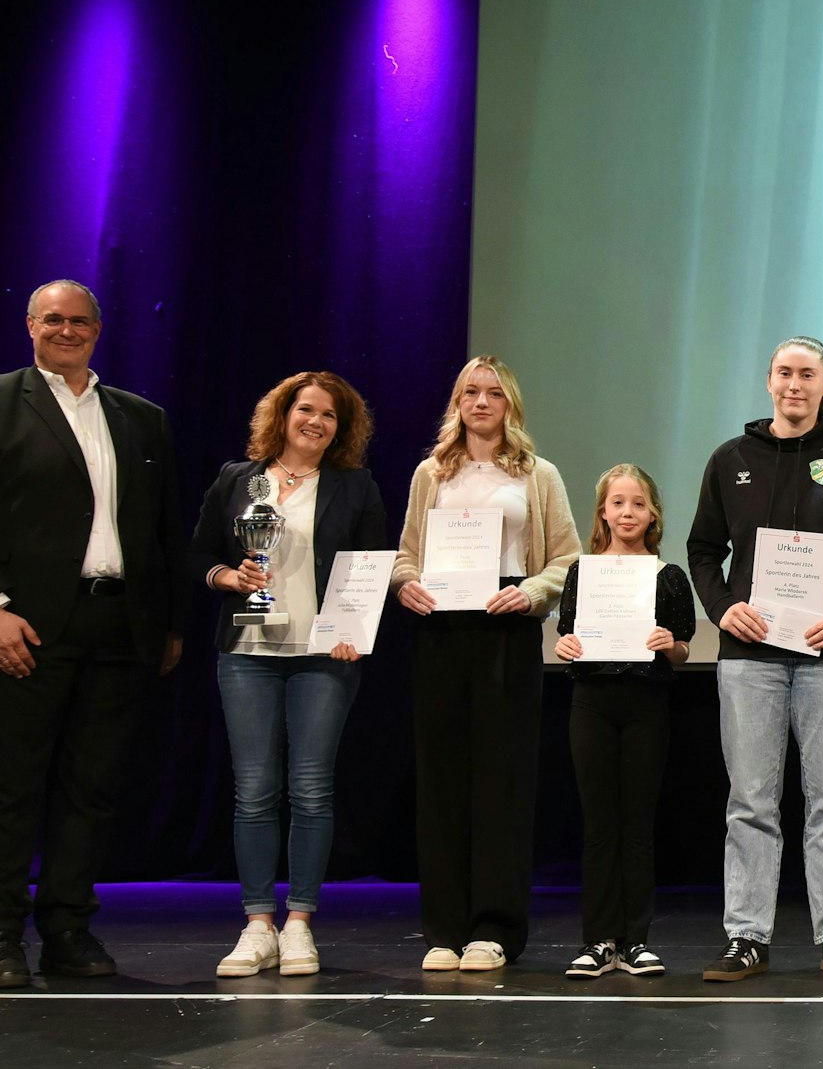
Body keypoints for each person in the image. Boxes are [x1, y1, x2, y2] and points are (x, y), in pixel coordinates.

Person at [687, 336, 823, 982]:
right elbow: (702, 549)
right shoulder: (731, 459)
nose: (795, 384)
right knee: (750, 801)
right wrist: (723, 608)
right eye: (785, 372)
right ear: (769, 381)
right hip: (750, 657)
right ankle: (747, 935)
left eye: (808, 374)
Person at [0, 279, 187, 990]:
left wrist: (168, 622)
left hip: (119, 625)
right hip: (27, 626)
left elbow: (164, 527)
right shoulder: (3, 402)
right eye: (53, 319)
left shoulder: (140, 418)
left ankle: (68, 930)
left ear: (98, 331)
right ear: (30, 325)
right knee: (12, 787)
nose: (67, 330)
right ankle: (1, 934)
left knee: (91, 790)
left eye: (79, 321)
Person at [391, 356, 580, 974]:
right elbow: (407, 555)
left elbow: (567, 558)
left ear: (510, 405)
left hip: (506, 625)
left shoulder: (538, 474)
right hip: (443, 628)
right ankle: (445, 929)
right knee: (442, 781)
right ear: (456, 402)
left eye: (493, 393)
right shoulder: (432, 473)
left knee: (502, 781)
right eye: (470, 392)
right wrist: (406, 585)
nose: (481, 402)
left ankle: (493, 928)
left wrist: (533, 591)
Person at [193, 372, 386, 978]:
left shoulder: (355, 486)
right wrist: (228, 576)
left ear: (341, 428)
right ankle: (257, 925)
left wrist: (355, 629)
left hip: (324, 656)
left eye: (329, 415)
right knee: (254, 791)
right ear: (282, 414)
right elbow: (199, 553)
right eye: (306, 409)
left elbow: (370, 564)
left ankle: (299, 922)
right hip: (247, 651)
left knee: (311, 789)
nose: (316, 422)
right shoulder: (237, 480)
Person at [554, 464, 697, 980]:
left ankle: (636, 940)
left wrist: (669, 644)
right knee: (599, 825)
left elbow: (683, 648)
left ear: (653, 513)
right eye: (617, 503)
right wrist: (566, 645)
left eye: (638, 503)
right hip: (591, 702)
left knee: (637, 824)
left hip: (646, 703)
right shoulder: (583, 573)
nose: (628, 512)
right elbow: (567, 635)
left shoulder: (669, 575)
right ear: (603, 512)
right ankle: (599, 941)